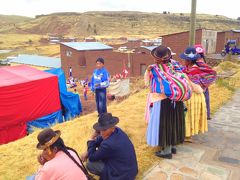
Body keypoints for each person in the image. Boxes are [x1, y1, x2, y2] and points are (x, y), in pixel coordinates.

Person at [144, 45, 188, 159]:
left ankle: (166, 151)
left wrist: (148, 71)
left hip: (164, 100)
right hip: (177, 99)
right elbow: (182, 75)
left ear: (159, 59)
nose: (155, 60)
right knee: (174, 122)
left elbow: (147, 83)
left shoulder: (155, 69)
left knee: (165, 124)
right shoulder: (175, 64)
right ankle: (173, 146)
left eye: (156, 58)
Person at [81, 113, 138, 180]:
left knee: (90, 164)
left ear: (112, 127)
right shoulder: (117, 130)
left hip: (123, 175)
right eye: (101, 129)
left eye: (104, 130)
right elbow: (100, 139)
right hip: (130, 170)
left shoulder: (109, 144)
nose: (101, 132)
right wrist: (88, 151)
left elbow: (92, 157)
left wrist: (91, 139)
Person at [179, 47, 216, 141]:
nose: (183, 61)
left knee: (189, 115)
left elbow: (211, 75)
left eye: (185, 59)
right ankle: (187, 134)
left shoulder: (195, 70)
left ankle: (188, 135)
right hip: (190, 95)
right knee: (188, 115)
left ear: (189, 60)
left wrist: (200, 85)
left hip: (194, 96)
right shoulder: (187, 68)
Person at [194, 44, 211, 120]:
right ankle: (205, 116)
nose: (199, 57)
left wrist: (203, 84)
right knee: (204, 101)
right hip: (203, 86)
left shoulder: (198, 64)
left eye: (200, 55)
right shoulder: (203, 63)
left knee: (201, 102)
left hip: (199, 87)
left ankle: (203, 117)